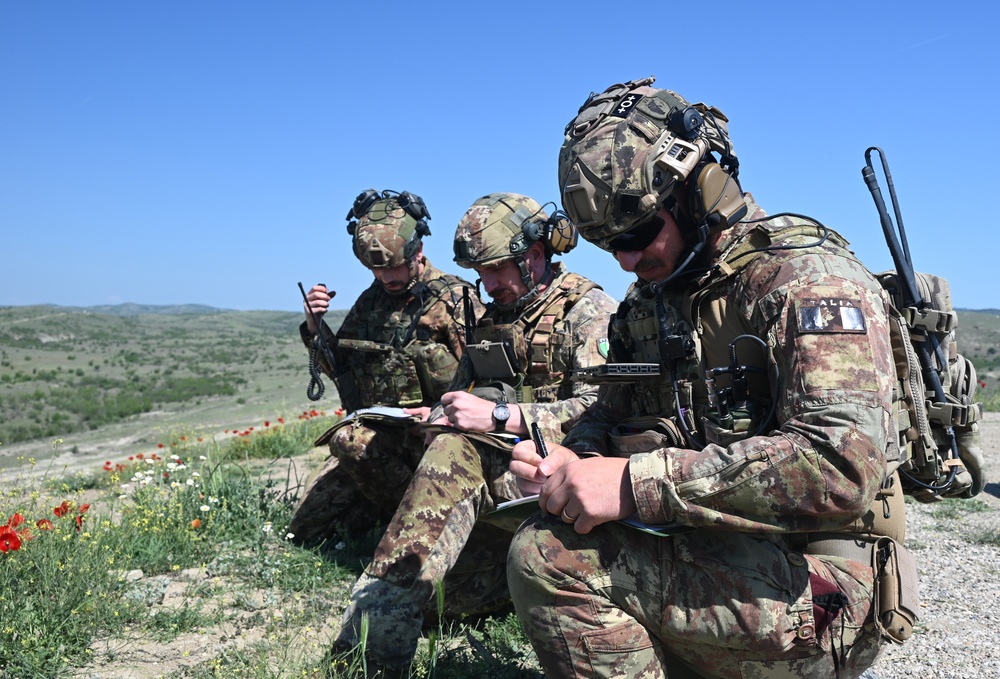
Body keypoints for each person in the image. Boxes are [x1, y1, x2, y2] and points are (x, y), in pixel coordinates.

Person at [507, 77, 911, 679]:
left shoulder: (808, 280)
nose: (625, 260)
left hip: (823, 587)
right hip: (704, 547)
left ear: (702, 189)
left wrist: (632, 484)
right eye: (608, 245)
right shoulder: (649, 302)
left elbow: (843, 468)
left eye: (639, 234)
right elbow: (608, 414)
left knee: (548, 557)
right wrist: (573, 459)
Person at [332, 192, 619, 675]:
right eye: (480, 272)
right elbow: (460, 392)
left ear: (536, 252)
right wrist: (443, 412)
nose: (487, 285)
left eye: (497, 269)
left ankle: (370, 658)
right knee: (431, 596)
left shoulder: (587, 311)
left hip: (548, 483)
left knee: (452, 453)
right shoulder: (492, 320)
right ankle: (503, 583)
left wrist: (499, 417)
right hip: (494, 488)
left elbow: (601, 408)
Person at [288, 189, 483, 544]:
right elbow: (343, 371)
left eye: (395, 266)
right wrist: (315, 325)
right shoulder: (370, 302)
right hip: (383, 442)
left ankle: (421, 527)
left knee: (350, 442)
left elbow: (485, 381)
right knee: (302, 532)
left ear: (417, 250)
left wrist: (441, 414)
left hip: (437, 441)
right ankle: (387, 510)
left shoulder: (455, 298)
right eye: (377, 269)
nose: (386, 277)